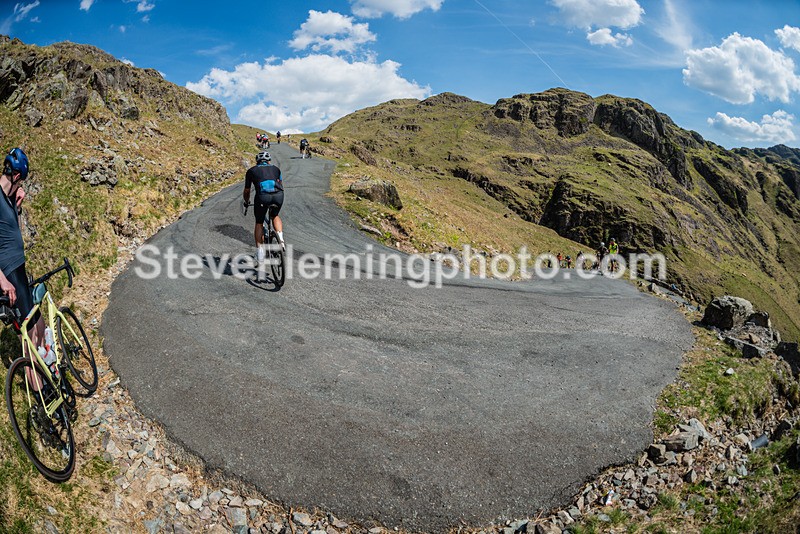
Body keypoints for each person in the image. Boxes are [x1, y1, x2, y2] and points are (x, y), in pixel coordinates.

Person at [0, 148, 45, 356]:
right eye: (20, 182)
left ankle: (45, 382)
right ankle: (37, 389)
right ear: (16, 176)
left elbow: (14, 232)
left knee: (37, 325)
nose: (20, 186)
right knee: (29, 336)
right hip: (8, 277)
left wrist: (17, 207)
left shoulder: (8, 200)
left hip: (17, 270)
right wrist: (2, 281)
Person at [243, 151, 284, 260]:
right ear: (268, 160)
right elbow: (280, 184)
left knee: (259, 222)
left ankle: (260, 252)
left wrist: (246, 202)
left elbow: (247, 191)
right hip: (278, 195)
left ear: (257, 161)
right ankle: (281, 239)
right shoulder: (276, 169)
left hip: (262, 197)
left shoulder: (251, 171)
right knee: (275, 215)